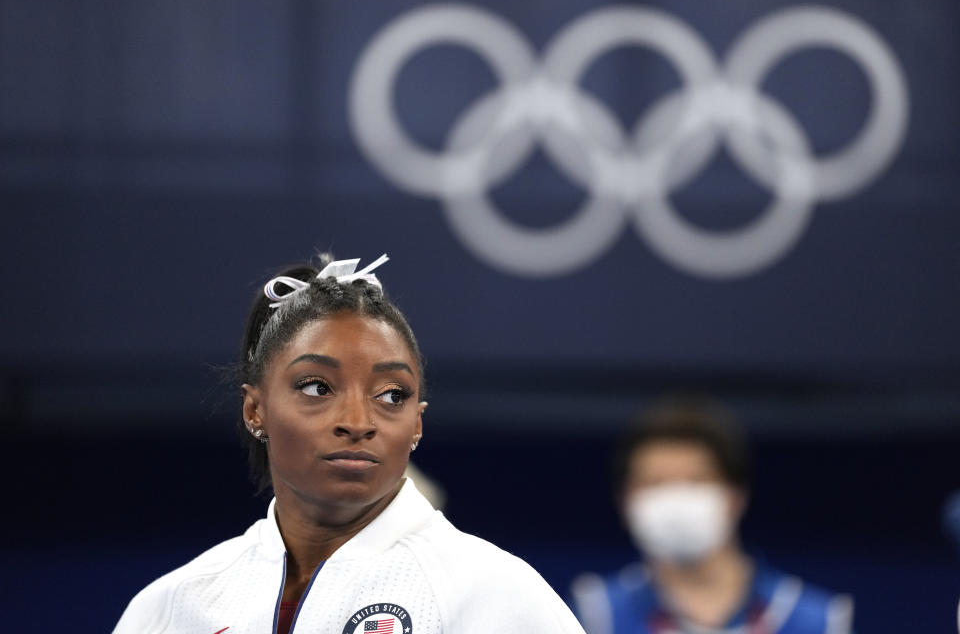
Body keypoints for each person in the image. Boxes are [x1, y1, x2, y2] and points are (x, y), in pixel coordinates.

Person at [114, 253, 584, 634]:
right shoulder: (174, 608)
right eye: (317, 387)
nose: (358, 422)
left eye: (391, 395)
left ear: (417, 424)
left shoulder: (491, 595)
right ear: (255, 410)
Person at [570, 396, 854, 634]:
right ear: (625, 501)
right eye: (655, 483)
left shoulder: (817, 620)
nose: (676, 499)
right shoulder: (593, 616)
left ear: (736, 495)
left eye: (696, 481)